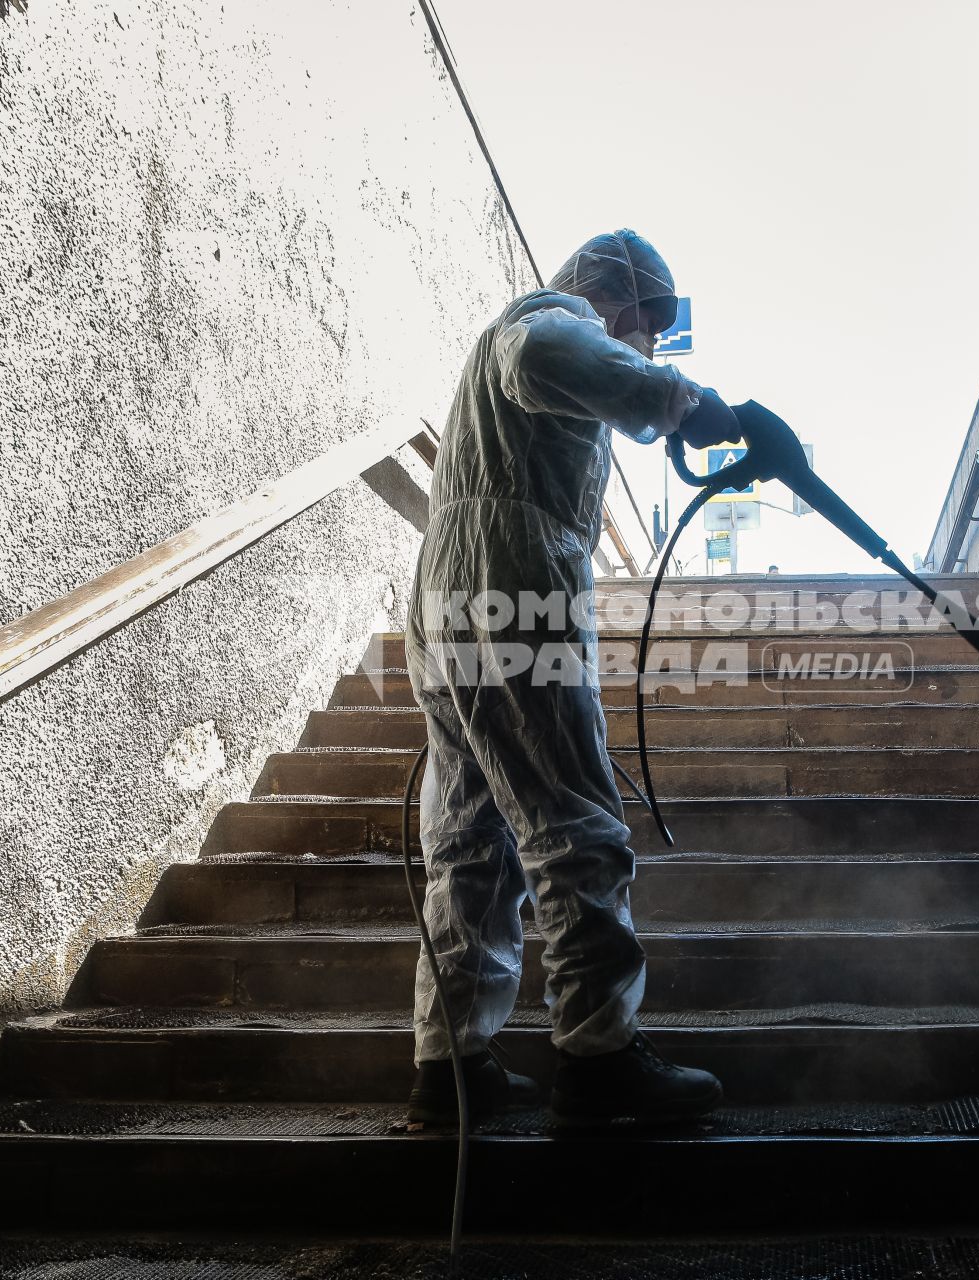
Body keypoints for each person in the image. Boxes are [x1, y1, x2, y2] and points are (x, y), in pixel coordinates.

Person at [405, 230, 739, 1128]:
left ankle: (451, 1069)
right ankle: (598, 1060)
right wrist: (678, 401)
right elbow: (547, 354)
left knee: (474, 841)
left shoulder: (516, 360)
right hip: (513, 583)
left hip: (450, 596)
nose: (647, 344)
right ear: (617, 300)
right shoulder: (551, 318)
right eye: (648, 326)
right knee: (573, 820)